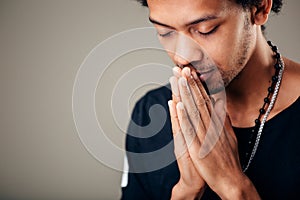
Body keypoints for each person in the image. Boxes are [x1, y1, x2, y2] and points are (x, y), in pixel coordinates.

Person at [121, 0, 300, 199]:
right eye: (166, 32)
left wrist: (234, 187)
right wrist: (187, 190)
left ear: (259, 7)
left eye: (205, 30)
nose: (183, 57)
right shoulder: (149, 112)